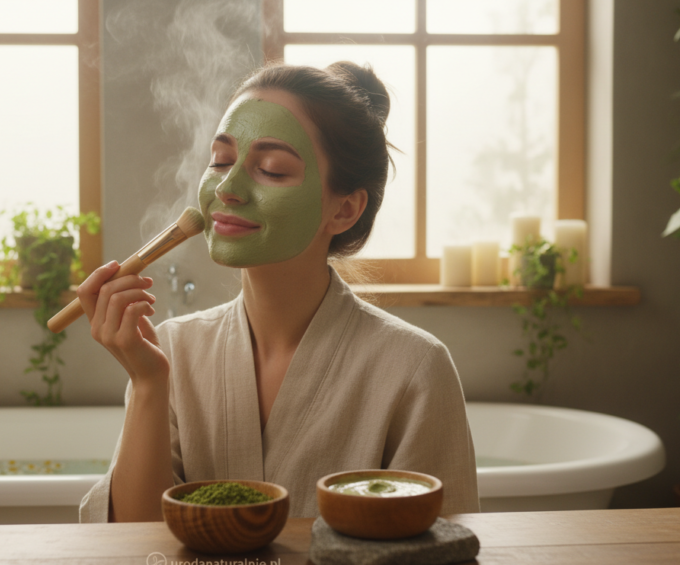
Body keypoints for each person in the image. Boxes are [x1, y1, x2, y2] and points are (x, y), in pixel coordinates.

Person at [79, 61, 479, 522]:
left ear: (345, 208)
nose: (227, 188)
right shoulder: (170, 351)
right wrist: (148, 384)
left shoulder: (414, 368)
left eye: (271, 169)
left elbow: (437, 554)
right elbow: (134, 548)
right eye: (221, 161)